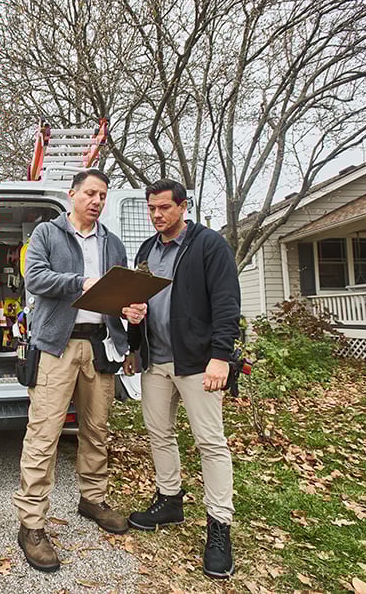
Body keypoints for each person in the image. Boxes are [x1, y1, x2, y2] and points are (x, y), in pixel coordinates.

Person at [13, 167, 148, 572]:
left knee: (96, 429)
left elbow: (120, 295)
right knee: (44, 435)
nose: (97, 201)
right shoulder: (47, 234)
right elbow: (36, 279)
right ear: (72, 194)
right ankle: (31, 524)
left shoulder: (113, 243)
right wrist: (81, 282)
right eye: (90, 193)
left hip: (99, 345)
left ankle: (92, 499)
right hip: (56, 346)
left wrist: (130, 311)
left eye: (102, 195)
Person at [126, 178, 240, 579]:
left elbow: (226, 302)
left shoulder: (209, 245)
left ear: (183, 206)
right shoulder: (146, 251)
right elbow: (138, 303)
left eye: (164, 207)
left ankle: (219, 526)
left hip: (197, 362)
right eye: (151, 208)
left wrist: (220, 356)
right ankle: (170, 501)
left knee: (210, 442)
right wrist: (132, 335)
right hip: (155, 360)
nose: (157, 215)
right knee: (159, 433)